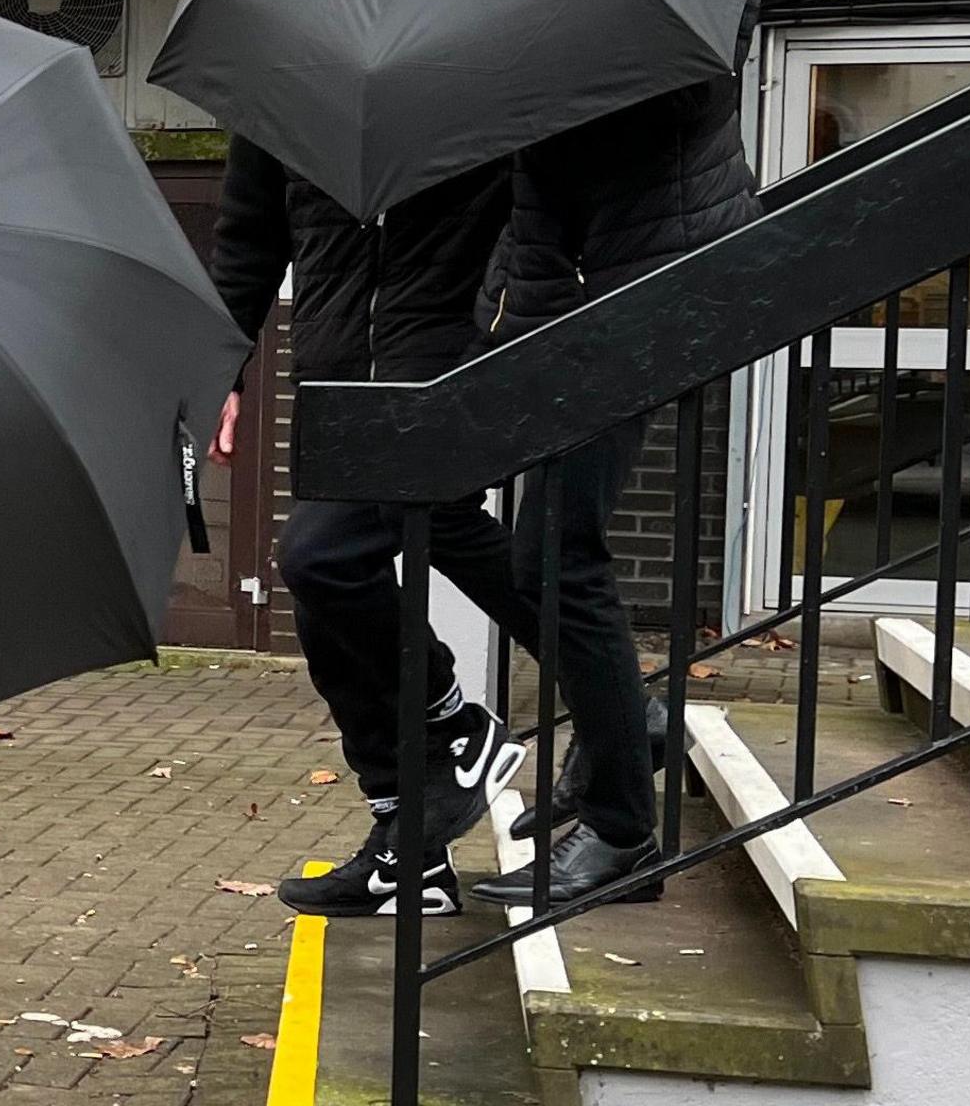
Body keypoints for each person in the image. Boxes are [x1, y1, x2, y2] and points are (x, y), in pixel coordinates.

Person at [207, 136, 529, 918]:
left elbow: (533, 213)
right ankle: (406, 849)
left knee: (320, 557)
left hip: (434, 371)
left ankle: (457, 724)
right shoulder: (284, 80)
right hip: (334, 374)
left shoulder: (472, 61)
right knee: (321, 598)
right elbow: (250, 236)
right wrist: (220, 368)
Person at [467, 73, 760, 907]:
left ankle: (623, 827)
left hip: (632, 297)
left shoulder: (661, 0)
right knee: (542, 562)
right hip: (576, 300)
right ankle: (627, 735)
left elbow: (680, 98)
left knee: (558, 559)